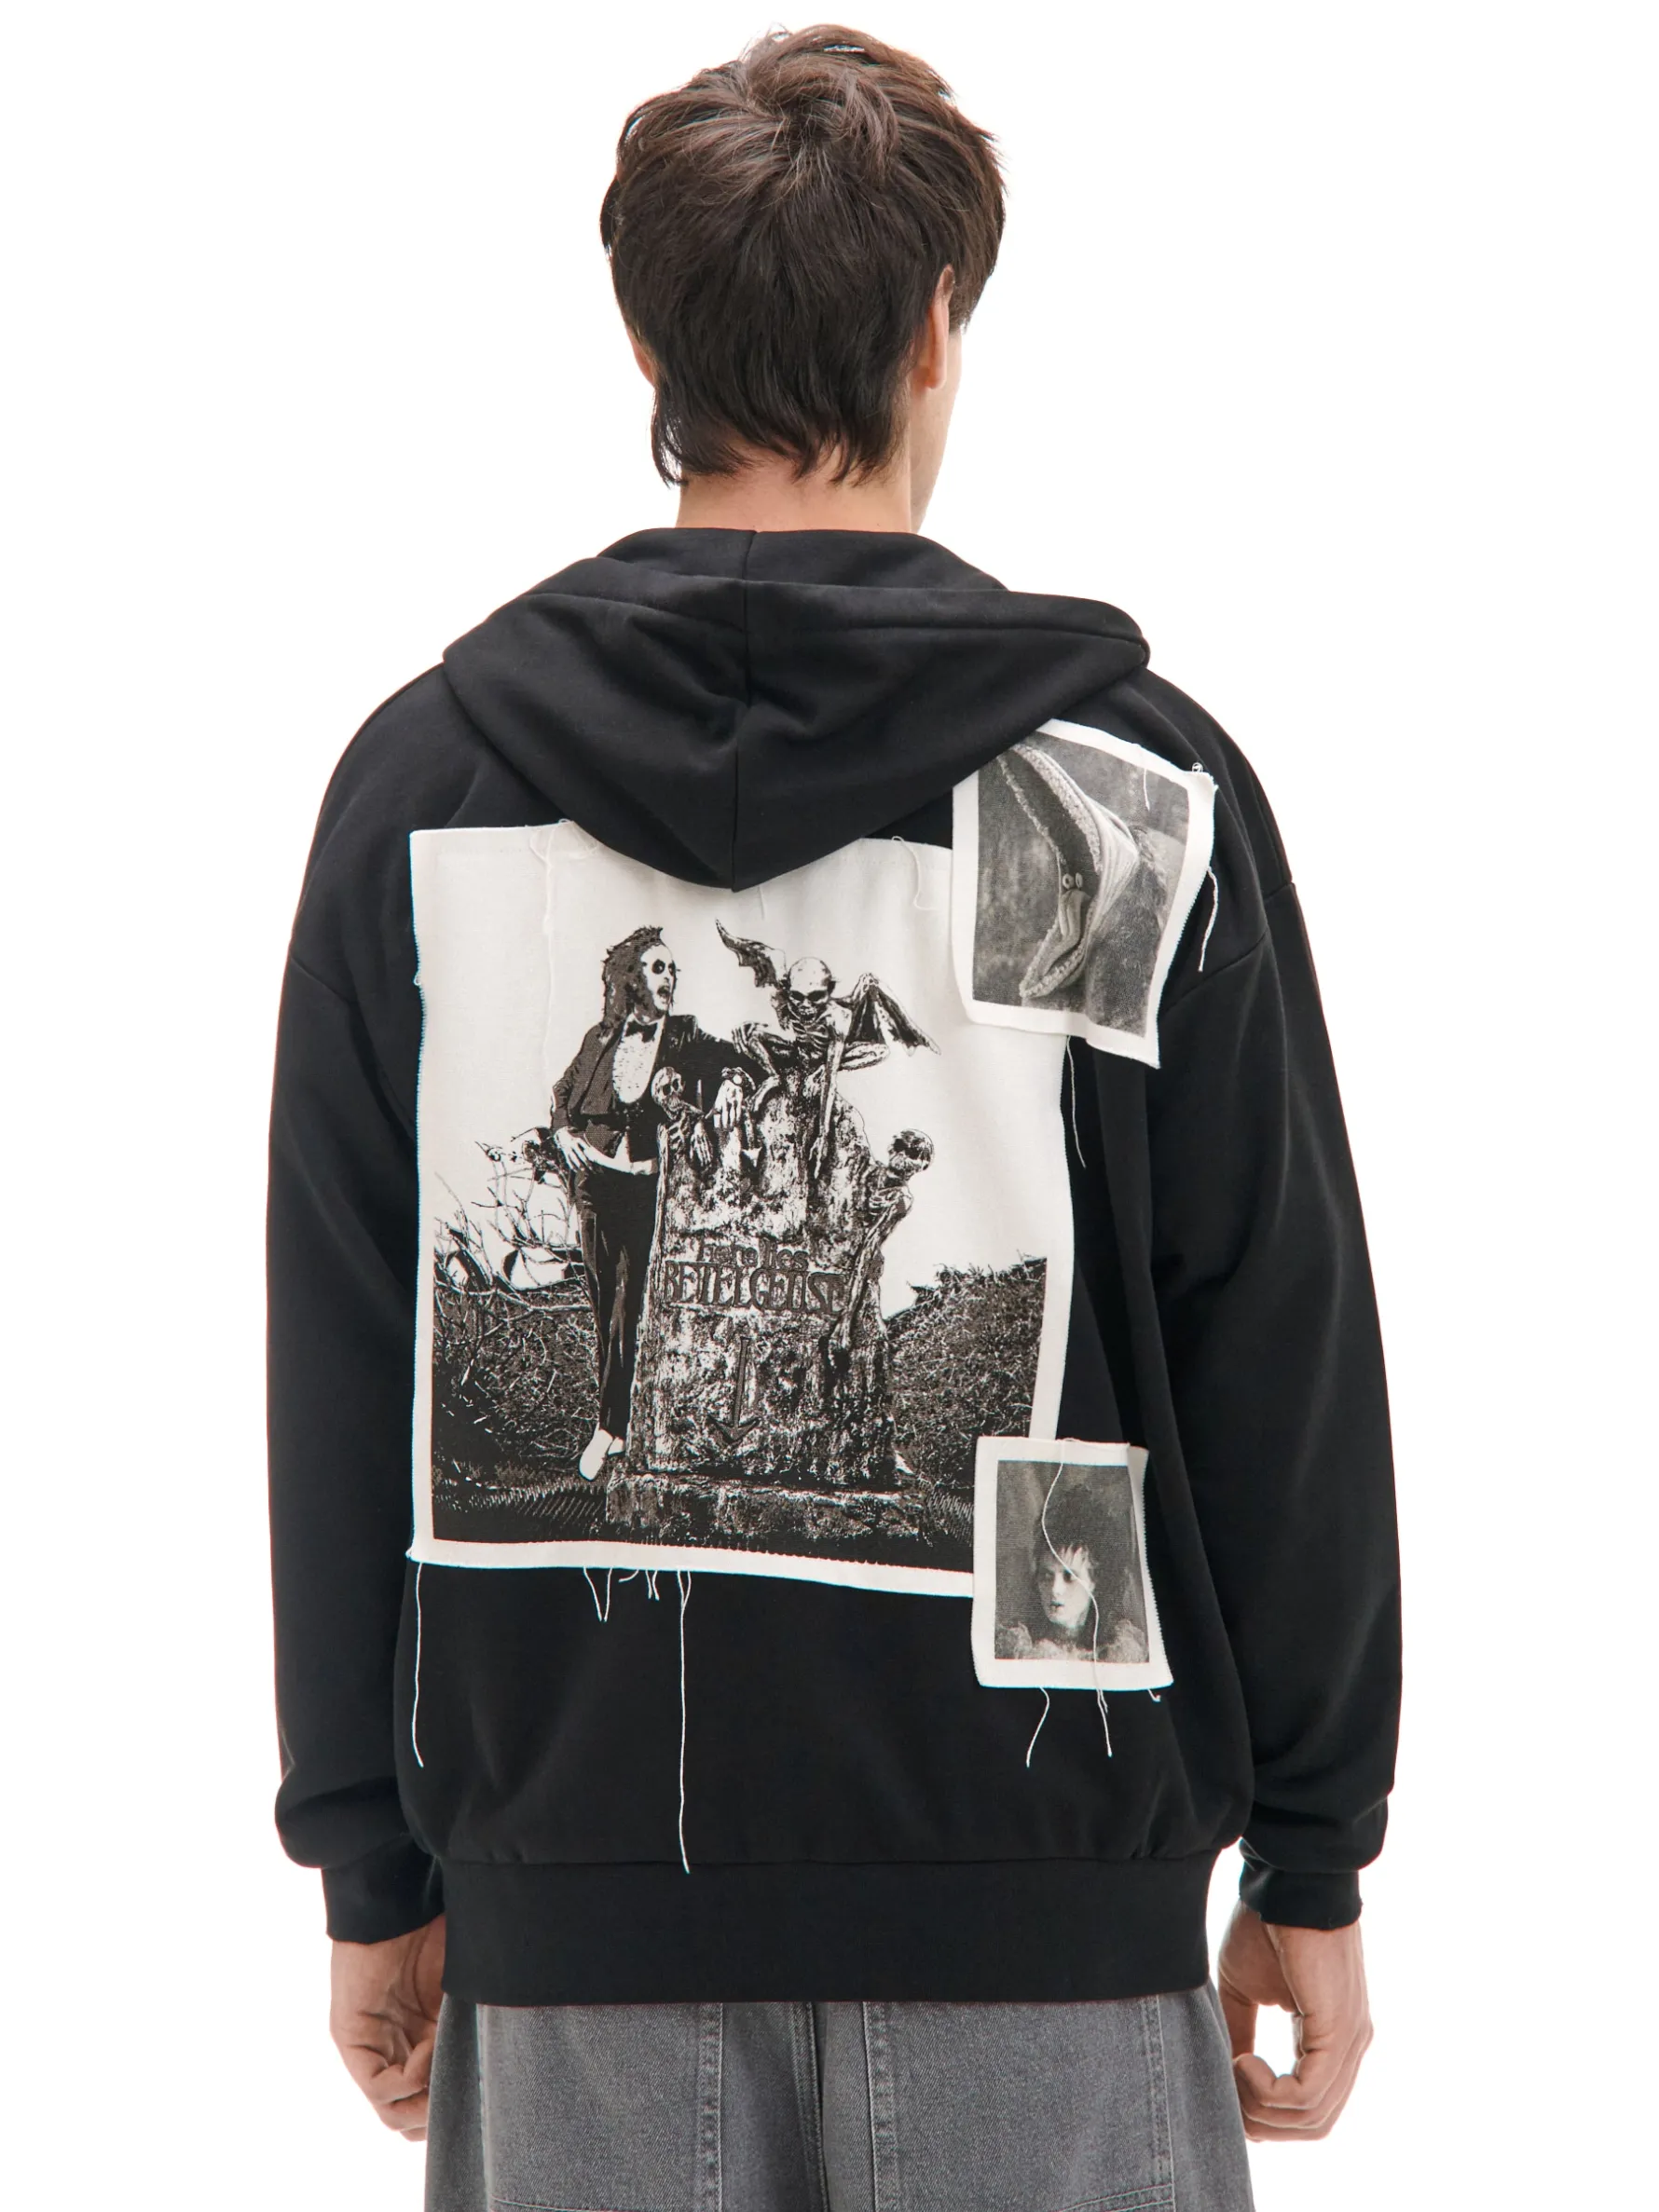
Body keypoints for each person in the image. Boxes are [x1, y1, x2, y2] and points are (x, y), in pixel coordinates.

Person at [267, 26, 1399, 2209]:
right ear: (933, 333)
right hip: (1051, 1909)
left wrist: (369, 1862)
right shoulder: (1120, 797)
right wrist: (1312, 1851)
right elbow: (1272, 1342)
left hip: (577, 1934)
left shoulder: (422, 796)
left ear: (642, 344)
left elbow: (341, 1347)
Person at [543, 925, 746, 1476]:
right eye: (658, 968)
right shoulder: (599, 1038)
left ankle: (612, 1427)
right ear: (631, 978)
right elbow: (563, 1092)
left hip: (645, 1191)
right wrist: (563, 1132)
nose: (669, 978)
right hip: (594, 1187)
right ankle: (615, 1424)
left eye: (673, 969)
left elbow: (734, 1058)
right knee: (602, 1302)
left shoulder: (684, 1035)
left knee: (630, 1305)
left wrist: (730, 1082)